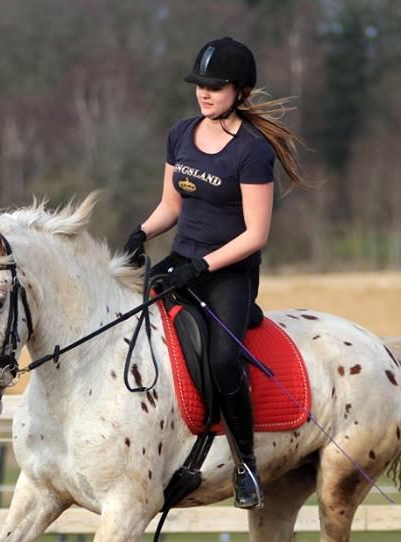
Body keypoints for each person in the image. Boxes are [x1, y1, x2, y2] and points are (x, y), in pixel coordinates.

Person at [122, 37, 309, 510]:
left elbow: (255, 234)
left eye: (216, 86)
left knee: (224, 359)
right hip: (182, 260)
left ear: (240, 91)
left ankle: (245, 464)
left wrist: (202, 265)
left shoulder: (252, 151)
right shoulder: (182, 133)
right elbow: (171, 205)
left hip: (230, 273)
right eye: (200, 85)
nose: (204, 93)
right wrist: (140, 233)